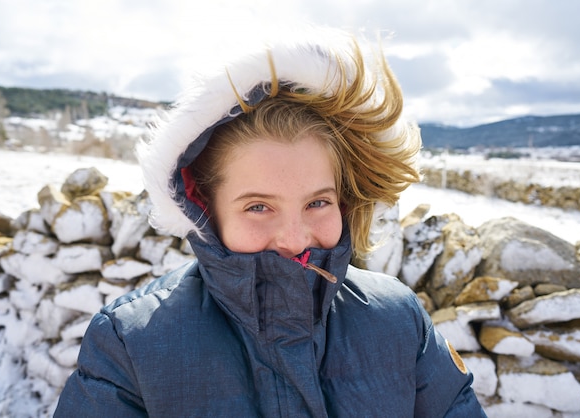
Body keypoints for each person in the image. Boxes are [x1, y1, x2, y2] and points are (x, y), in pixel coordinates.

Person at [54, 27, 487, 417]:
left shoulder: (397, 320)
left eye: (318, 202)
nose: (295, 238)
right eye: (258, 206)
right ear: (205, 204)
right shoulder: (133, 344)